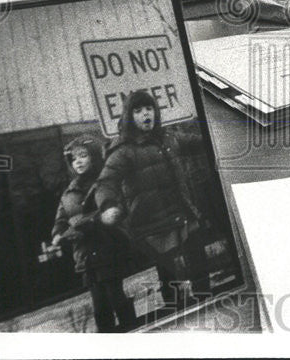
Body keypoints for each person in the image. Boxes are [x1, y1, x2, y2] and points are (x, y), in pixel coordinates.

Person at [94, 91, 212, 307]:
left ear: (155, 112)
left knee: (201, 273)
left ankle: (209, 310)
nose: (145, 114)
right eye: (138, 111)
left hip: (184, 216)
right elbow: (105, 182)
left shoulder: (169, 138)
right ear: (130, 116)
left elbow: (201, 141)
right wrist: (108, 205)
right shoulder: (124, 150)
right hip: (155, 226)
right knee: (171, 285)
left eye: (148, 109)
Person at [51, 135, 137, 332]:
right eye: (73, 159)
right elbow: (61, 220)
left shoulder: (105, 182)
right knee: (100, 307)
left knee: (116, 297)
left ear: (94, 157)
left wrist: (79, 225)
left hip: (109, 248)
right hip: (86, 256)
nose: (78, 162)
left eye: (83, 155)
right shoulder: (69, 193)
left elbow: (112, 211)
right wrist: (58, 233)